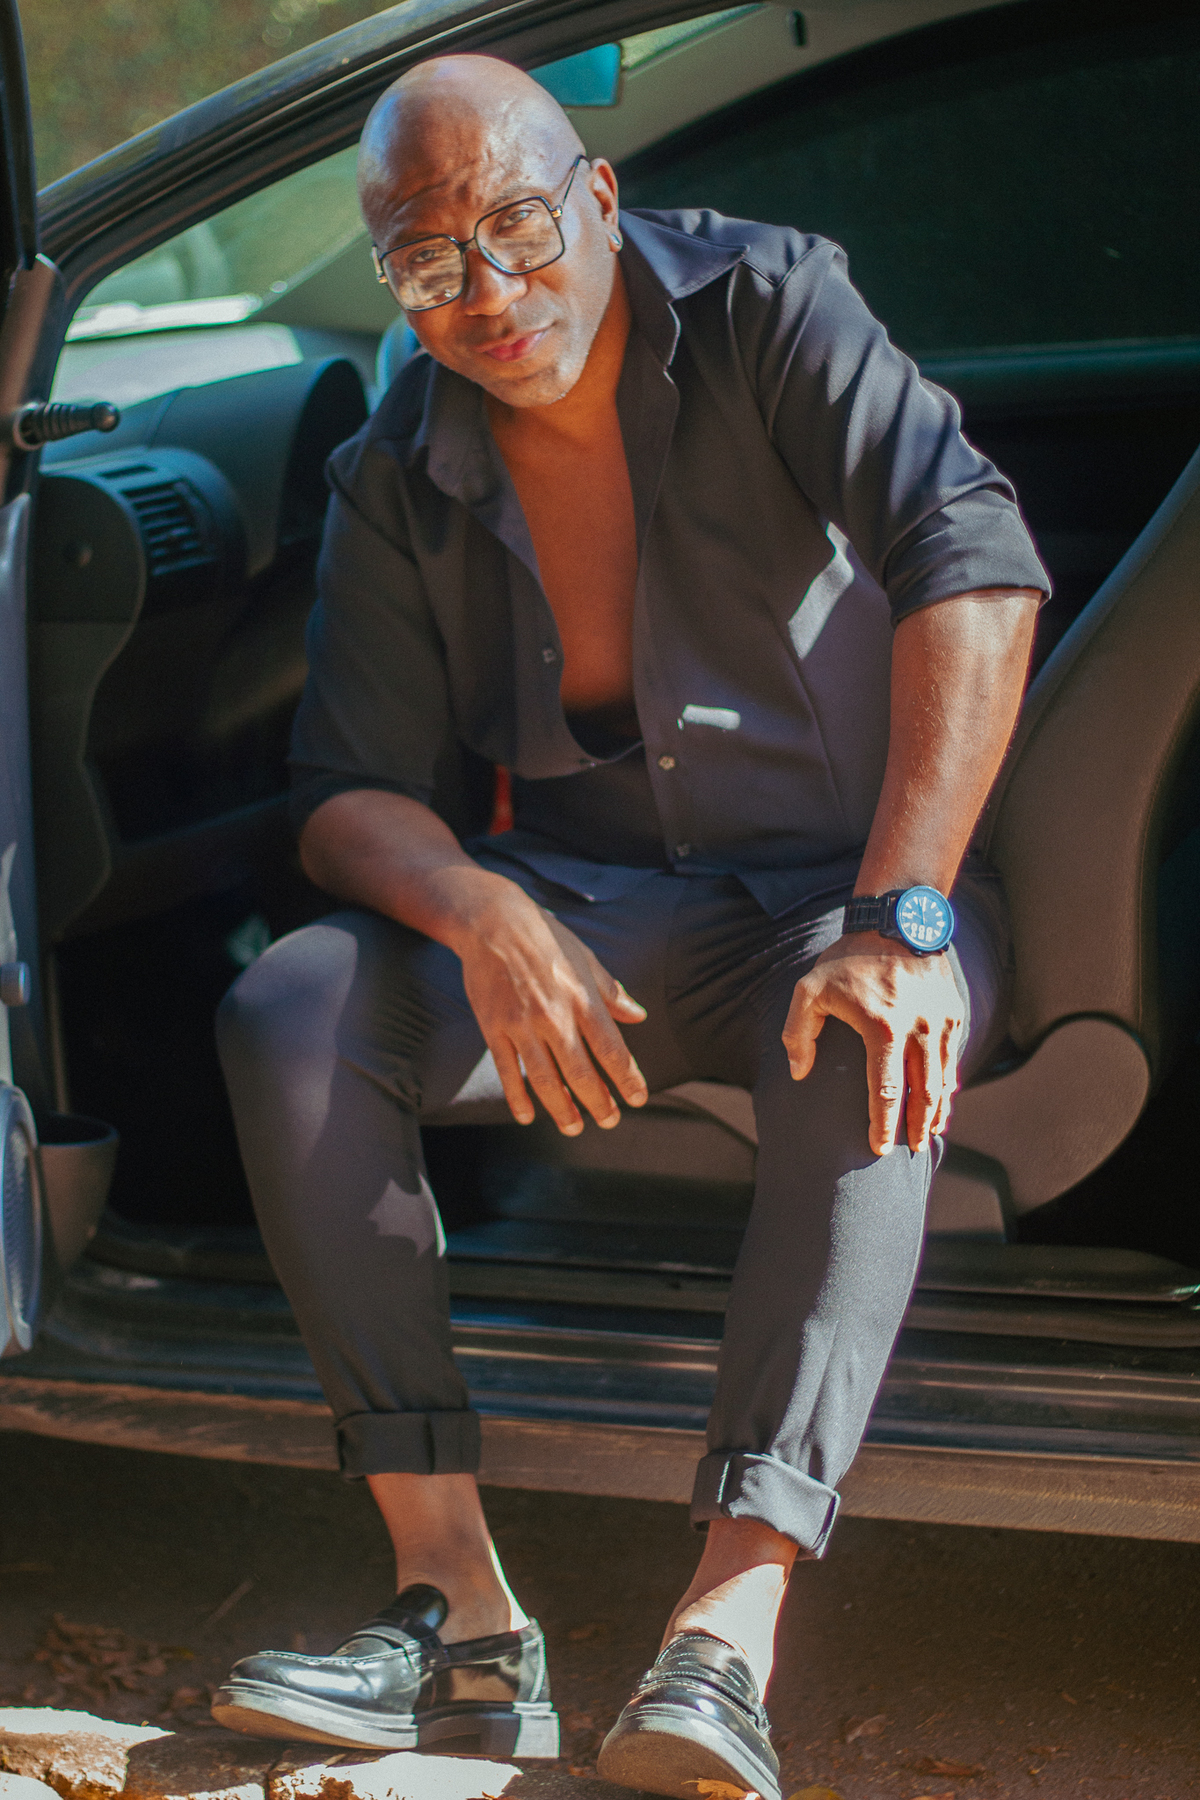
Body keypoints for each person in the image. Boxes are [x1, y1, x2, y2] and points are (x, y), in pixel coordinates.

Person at [211, 51, 1048, 1800]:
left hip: (844, 882)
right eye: (428, 260)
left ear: (595, 196)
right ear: (391, 275)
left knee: (870, 1027)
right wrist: (481, 907)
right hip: (596, 916)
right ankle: (457, 1618)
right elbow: (344, 792)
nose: (489, 291)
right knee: (292, 1009)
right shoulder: (395, 460)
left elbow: (971, 552)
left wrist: (901, 914)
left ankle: (724, 1636)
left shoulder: (769, 305)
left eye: (519, 225)